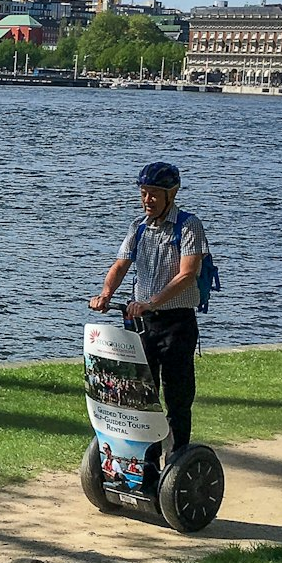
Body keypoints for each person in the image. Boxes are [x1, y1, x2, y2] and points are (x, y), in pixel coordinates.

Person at [88, 160, 209, 453]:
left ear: (172, 193)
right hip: (143, 324)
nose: (147, 200)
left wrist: (151, 302)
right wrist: (105, 293)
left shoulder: (188, 226)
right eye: (144, 192)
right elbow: (120, 265)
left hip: (176, 323)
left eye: (154, 193)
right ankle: (146, 461)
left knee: (178, 396)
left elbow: (187, 274)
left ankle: (179, 457)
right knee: (143, 395)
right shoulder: (138, 228)